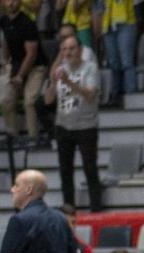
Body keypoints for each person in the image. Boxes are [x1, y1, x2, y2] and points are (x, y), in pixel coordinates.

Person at [44, 35, 104, 212]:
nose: (68, 52)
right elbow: (47, 100)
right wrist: (53, 83)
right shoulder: (59, 70)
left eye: (71, 48)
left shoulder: (90, 68)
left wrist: (69, 82)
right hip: (63, 125)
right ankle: (68, 206)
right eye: (64, 49)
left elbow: (91, 95)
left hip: (86, 125)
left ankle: (96, 208)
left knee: (90, 167)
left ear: (80, 50)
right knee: (65, 170)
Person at [0, 0, 49, 142]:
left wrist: (20, 76)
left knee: (29, 101)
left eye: (14, 0)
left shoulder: (27, 23)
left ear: (20, 2)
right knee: (6, 101)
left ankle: (33, 138)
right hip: (16, 64)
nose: (11, 3)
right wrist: (5, 62)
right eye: (8, 0)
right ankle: (13, 138)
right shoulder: (3, 21)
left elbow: (31, 54)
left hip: (37, 66)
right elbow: (6, 41)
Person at [102, 0, 136, 107]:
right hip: (108, 24)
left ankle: (131, 95)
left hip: (126, 22)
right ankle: (115, 95)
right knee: (113, 63)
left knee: (127, 62)